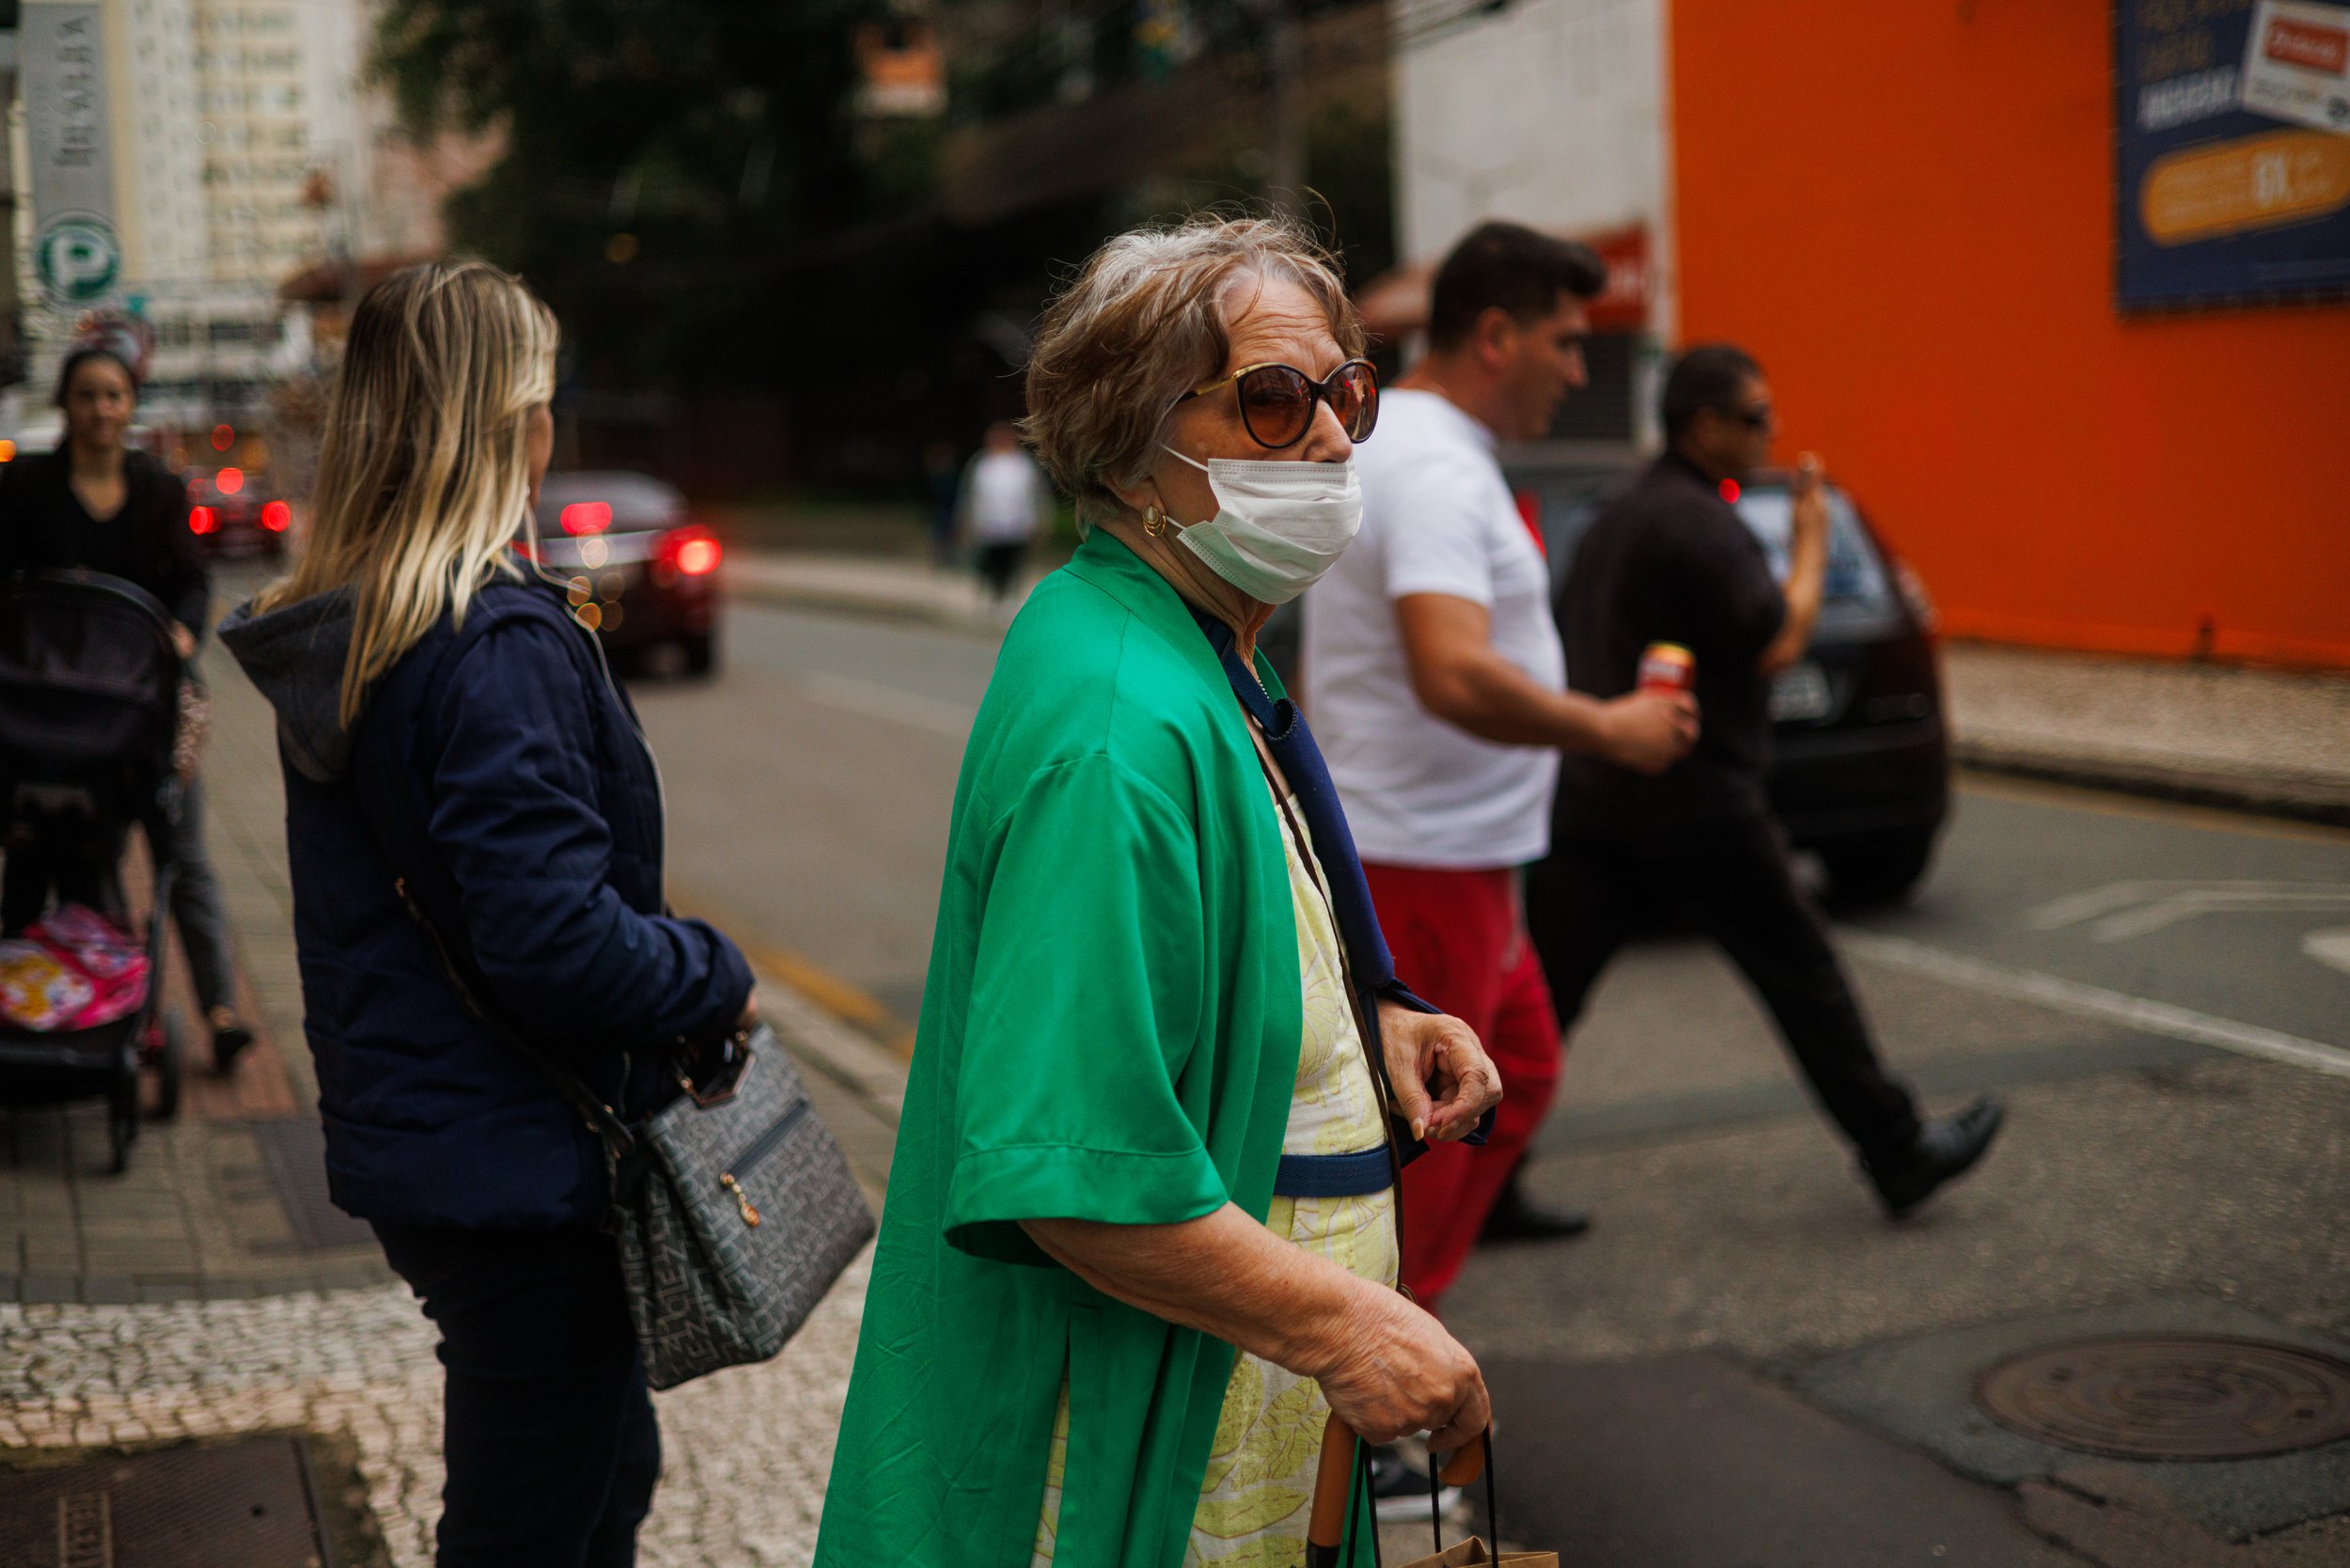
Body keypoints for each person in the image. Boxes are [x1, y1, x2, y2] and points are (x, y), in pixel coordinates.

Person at [814, 214, 1505, 1568]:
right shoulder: (1119, 723)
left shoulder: (1196, 648)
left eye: (1345, 395)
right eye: (1269, 400)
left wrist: (1367, 1029)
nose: (1327, 438)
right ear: (1136, 446)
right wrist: (1350, 1326)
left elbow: (1223, 959)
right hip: (1127, 1462)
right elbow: (1070, 1173)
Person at [222, 261, 758, 1568]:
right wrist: (714, 972)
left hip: (451, 1143)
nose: (550, 426)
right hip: (520, 1163)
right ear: (501, 422)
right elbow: (553, 942)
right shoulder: (488, 647)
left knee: (596, 1476)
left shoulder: (362, 627)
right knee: (533, 1519)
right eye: (539, 396)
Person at [1301, 222, 1698, 1329]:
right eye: (1564, 344)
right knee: (1433, 1133)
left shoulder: (1424, 447)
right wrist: (1608, 731)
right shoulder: (1429, 463)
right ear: (1493, 335)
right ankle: (1378, 1384)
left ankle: (1399, 1325)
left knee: (1513, 1069)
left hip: (1454, 853)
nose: (1578, 371)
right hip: (1423, 859)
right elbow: (1451, 670)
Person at [1528, 342, 2002, 1219]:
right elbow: (1777, 639)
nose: (1768, 433)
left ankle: (1478, 1183)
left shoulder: (1618, 512)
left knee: (1542, 1002)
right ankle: (1898, 1150)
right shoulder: (1703, 523)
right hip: (1696, 797)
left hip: (1597, 791)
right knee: (1804, 973)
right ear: (1703, 425)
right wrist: (1813, 541)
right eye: (1754, 417)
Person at [0, 343, 256, 1071]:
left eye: (114, 395)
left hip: (143, 707)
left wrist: (181, 633)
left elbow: (193, 583)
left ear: (130, 404)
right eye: (86, 395)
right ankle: (58, 1002)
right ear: (65, 403)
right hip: (51, 713)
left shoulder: (157, 489)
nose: (101, 409)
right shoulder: (27, 486)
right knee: (54, 853)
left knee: (185, 854)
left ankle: (221, 1008)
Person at [957, 419, 1052, 613]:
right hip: (988, 527)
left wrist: (1041, 521)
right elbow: (969, 496)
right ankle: (989, 600)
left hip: (1016, 527)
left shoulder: (1024, 465)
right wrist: (966, 521)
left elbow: (1037, 496)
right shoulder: (981, 464)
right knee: (987, 565)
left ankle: (1008, 601)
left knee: (1013, 565)